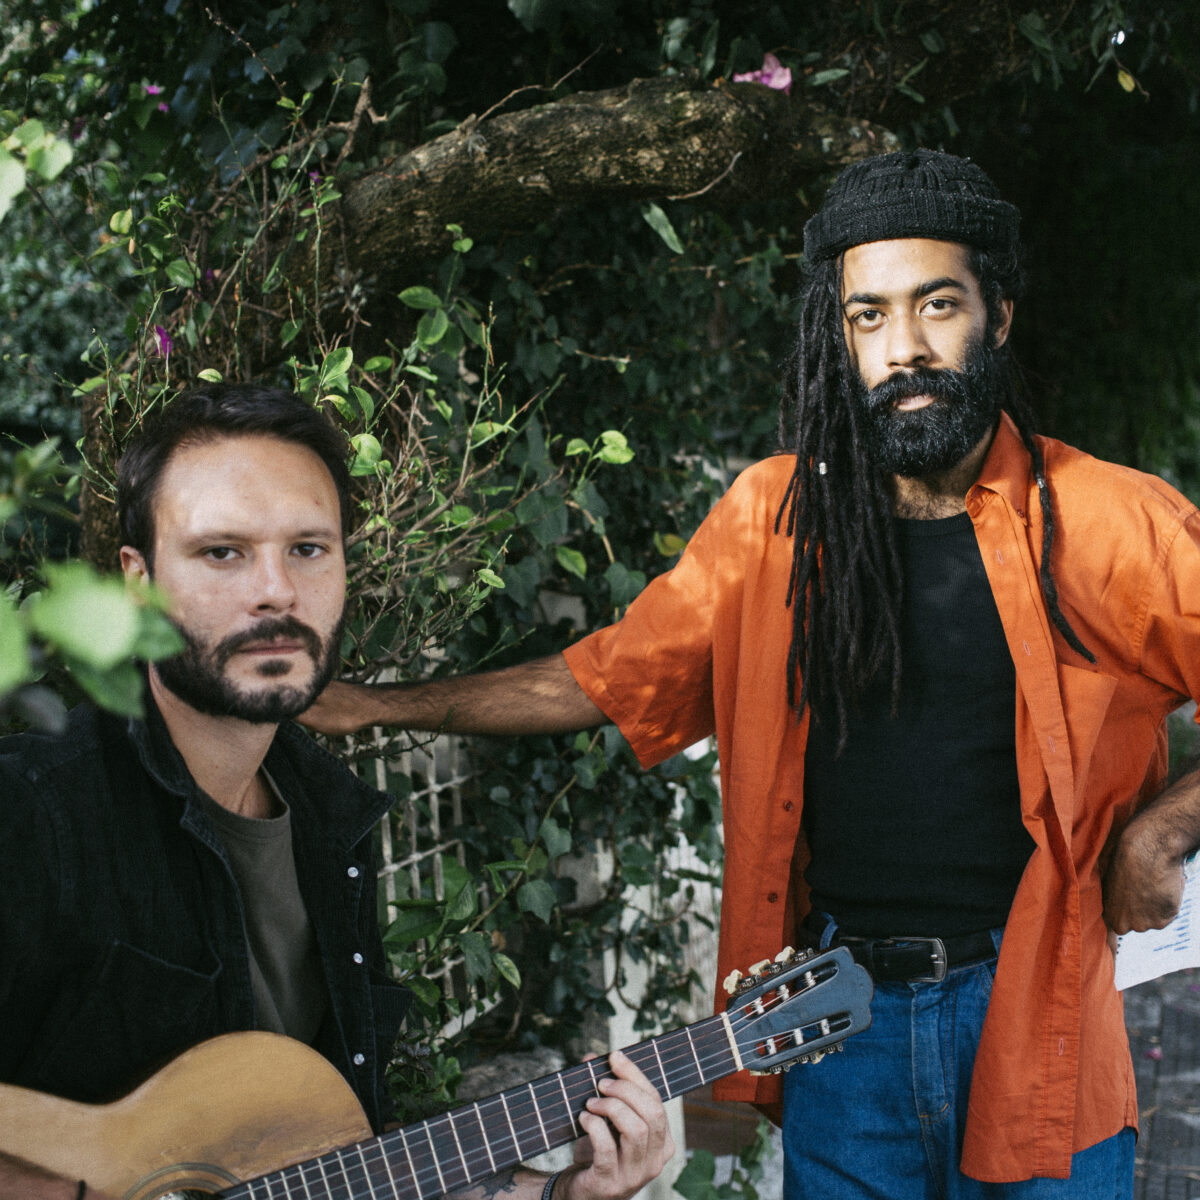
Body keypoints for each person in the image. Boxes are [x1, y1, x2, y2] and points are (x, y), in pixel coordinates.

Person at [301, 149, 1200, 1197]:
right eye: (868, 317)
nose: (904, 348)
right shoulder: (772, 521)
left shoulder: (1111, 522)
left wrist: (1162, 828)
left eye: (937, 305)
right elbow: (606, 677)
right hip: (836, 1021)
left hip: (1038, 1014)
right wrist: (379, 707)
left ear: (997, 315)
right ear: (840, 336)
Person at [0, 385, 672, 1200]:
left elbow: (340, 1166)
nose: (277, 590)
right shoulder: (33, 815)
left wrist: (562, 1195)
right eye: (223, 552)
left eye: (309, 549)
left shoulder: (330, 822)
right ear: (138, 580)